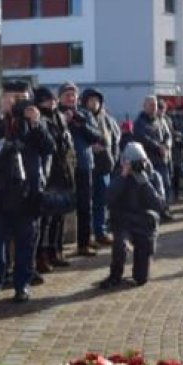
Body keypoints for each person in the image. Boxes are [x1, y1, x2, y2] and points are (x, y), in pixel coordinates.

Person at [0, 81, 54, 302]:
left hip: (25, 192)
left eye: (22, 97)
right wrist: (0, 113)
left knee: (26, 241)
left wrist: (36, 124)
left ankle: (22, 285)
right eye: (12, 97)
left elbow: (49, 147)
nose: (17, 102)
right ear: (3, 96)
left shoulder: (34, 118)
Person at [99, 142, 165, 289]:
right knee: (120, 244)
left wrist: (145, 183)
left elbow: (160, 205)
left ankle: (140, 269)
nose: (136, 166)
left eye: (139, 162)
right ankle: (115, 275)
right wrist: (123, 176)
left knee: (141, 279)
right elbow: (108, 199)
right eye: (132, 162)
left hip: (145, 224)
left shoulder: (153, 176)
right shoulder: (119, 174)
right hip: (124, 221)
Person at [58, 82, 104, 256]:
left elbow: (97, 135)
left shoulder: (84, 113)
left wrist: (80, 123)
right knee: (60, 209)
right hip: (63, 168)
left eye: (73, 95)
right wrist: (65, 121)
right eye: (67, 95)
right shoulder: (56, 113)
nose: (70, 98)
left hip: (84, 165)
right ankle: (57, 249)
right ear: (60, 97)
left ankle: (83, 244)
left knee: (85, 206)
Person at [34, 86, 76, 272]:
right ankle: (41, 256)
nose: (52, 103)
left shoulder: (59, 117)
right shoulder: (40, 119)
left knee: (59, 217)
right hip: (49, 174)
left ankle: (56, 250)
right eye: (48, 100)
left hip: (63, 172)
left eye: (53, 100)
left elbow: (67, 145)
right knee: (45, 220)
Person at [81, 88, 121, 247]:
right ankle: (88, 234)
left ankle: (101, 231)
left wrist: (114, 158)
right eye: (90, 100)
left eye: (96, 100)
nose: (94, 103)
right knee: (87, 203)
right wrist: (91, 148)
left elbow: (115, 140)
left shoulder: (108, 119)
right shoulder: (82, 118)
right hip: (87, 168)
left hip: (105, 166)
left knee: (102, 201)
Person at [134, 96, 175, 222]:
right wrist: (158, 147)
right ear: (144, 106)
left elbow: (168, 135)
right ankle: (152, 213)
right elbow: (142, 138)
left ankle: (164, 210)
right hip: (149, 161)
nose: (153, 107)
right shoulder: (139, 122)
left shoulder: (161, 120)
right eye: (150, 105)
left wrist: (166, 145)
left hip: (163, 160)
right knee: (151, 188)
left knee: (166, 185)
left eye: (155, 105)